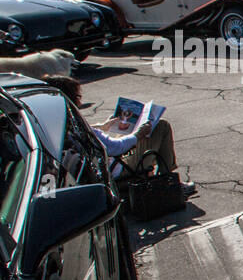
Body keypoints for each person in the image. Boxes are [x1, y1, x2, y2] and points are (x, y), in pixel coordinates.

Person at [41, 74, 194, 194]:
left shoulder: (56, 123)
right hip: (117, 169)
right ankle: (169, 182)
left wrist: (102, 127)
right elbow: (116, 148)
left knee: (128, 131)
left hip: (103, 164)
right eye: (78, 97)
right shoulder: (78, 126)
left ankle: (166, 178)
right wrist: (138, 134)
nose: (80, 103)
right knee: (161, 126)